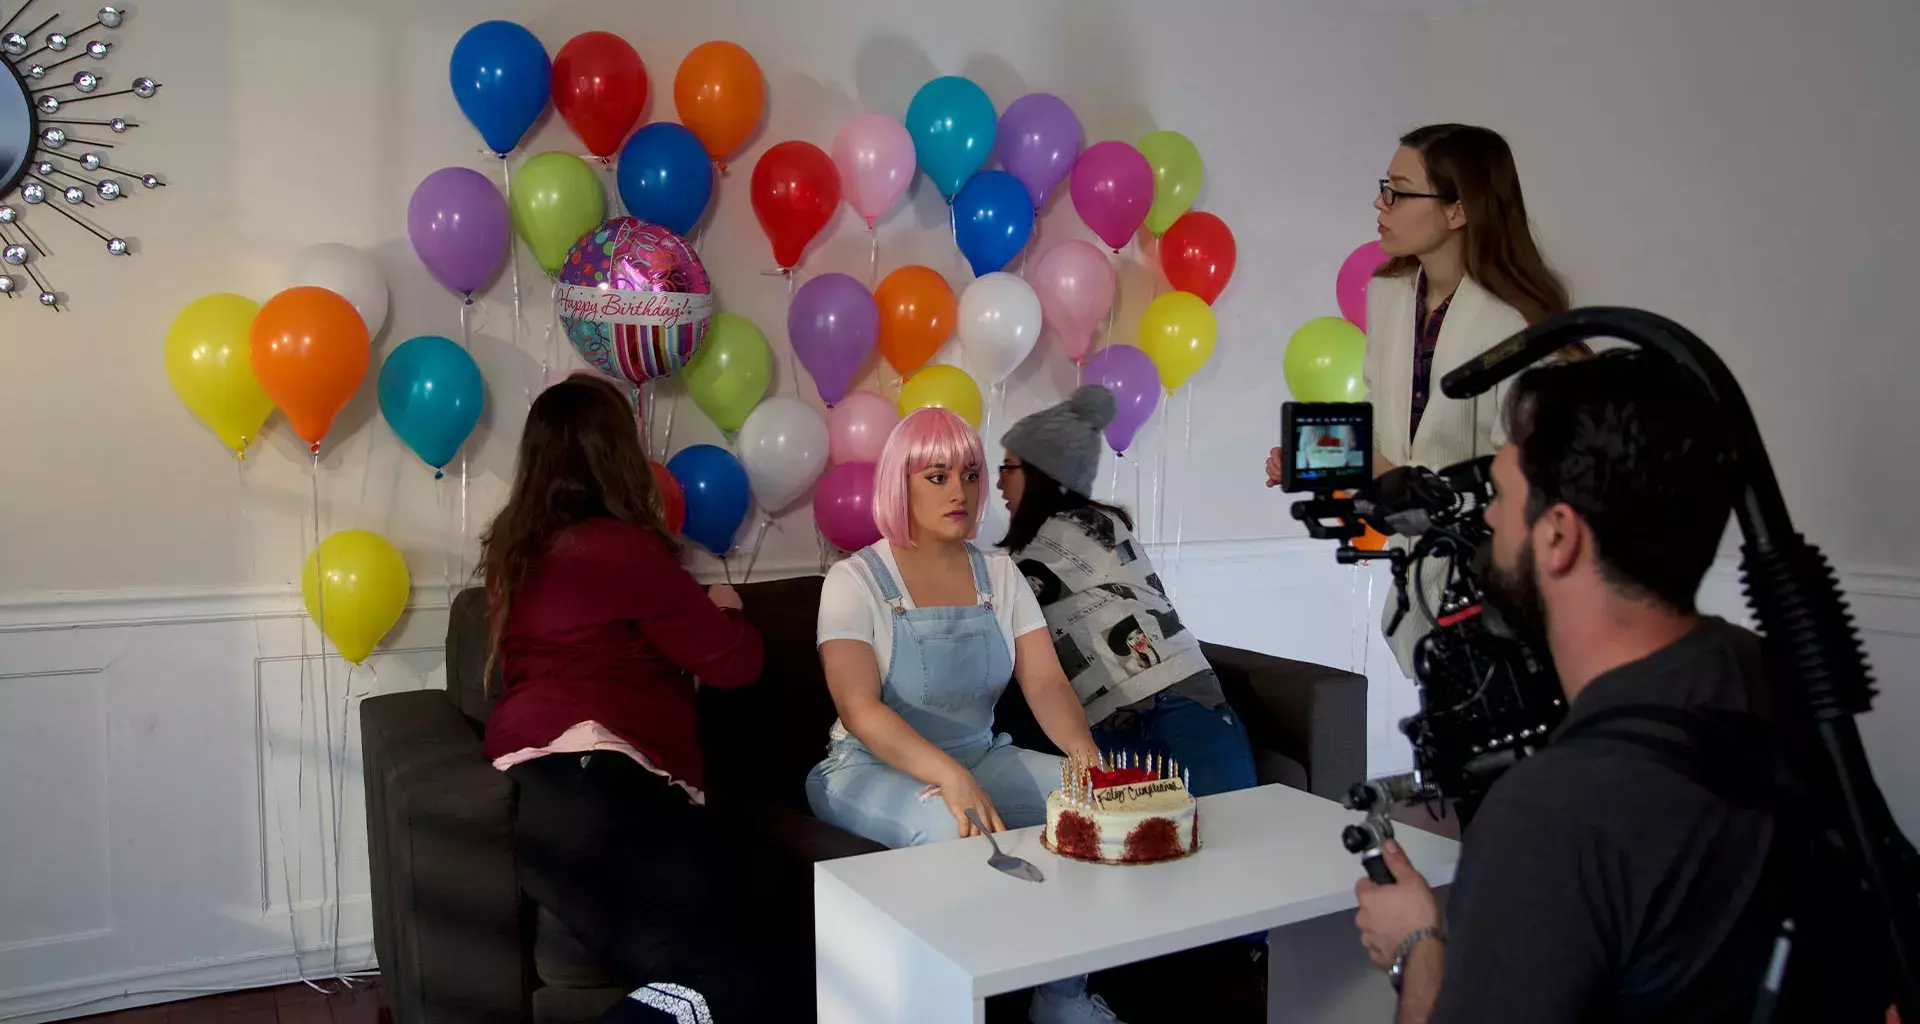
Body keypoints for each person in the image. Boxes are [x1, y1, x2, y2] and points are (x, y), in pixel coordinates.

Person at [1351, 352, 1891, 1023]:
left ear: (1558, 536)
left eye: (1502, 498)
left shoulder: (1548, 819)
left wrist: (1417, 948)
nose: (1488, 522)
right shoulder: (1770, 672)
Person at [479, 376, 801, 1024]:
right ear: (618, 458)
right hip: (601, 786)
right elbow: (735, 663)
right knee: (726, 969)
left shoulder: (516, 555)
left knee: (774, 910)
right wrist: (728, 610)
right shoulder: (622, 550)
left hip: (541, 799)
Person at [806, 406, 1123, 1024]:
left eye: (972, 474)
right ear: (900, 483)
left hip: (981, 753)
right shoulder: (852, 580)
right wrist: (950, 779)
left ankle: (1062, 1000)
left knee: (1089, 807)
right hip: (866, 767)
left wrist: (1089, 764)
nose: (961, 491)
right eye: (937, 476)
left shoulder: (1002, 574)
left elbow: (1045, 680)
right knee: (953, 832)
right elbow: (859, 708)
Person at [1265, 123, 1572, 674]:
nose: (1380, 204)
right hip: (1420, 574)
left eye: (1399, 191)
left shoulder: (1515, 324)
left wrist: (1390, 477)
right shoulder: (1389, 297)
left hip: (1498, 586)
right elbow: (1385, 435)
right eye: (1385, 187)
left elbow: (1525, 482)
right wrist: (1326, 463)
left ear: (1458, 210)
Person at [997, 386, 1258, 798]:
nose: (998, 483)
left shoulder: (1084, 527)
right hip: (1109, 718)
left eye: (1008, 467)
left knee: (1231, 816)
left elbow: (996, 589)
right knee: (1137, 829)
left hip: (1175, 697)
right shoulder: (1031, 548)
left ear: (1041, 471)